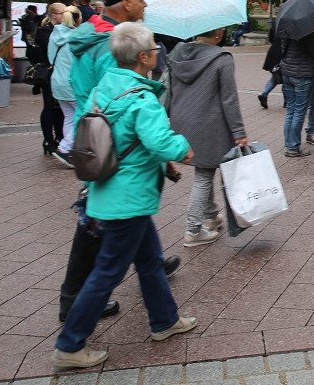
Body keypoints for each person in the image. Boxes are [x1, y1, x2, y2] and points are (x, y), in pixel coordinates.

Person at [51, 22, 197, 369]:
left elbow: (119, 139)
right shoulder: (142, 98)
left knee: (149, 260)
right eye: (155, 50)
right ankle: (70, 344)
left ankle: (165, 320)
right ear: (144, 57)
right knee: (106, 273)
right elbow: (159, 140)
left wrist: (162, 166)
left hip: (110, 191)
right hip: (128, 199)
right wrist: (183, 150)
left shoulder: (104, 89)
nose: (158, 55)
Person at [166, 27, 248, 247]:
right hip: (208, 123)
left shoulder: (176, 54)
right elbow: (229, 99)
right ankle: (193, 229)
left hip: (181, 119)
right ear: (218, 33)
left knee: (205, 168)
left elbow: (169, 90)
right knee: (204, 175)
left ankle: (211, 217)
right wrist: (239, 132)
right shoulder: (222, 59)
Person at [280, 27, 314, 157]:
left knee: (291, 109)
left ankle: (288, 143)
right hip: (302, 73)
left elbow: (283, 49)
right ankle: (293, 147)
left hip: (287, 71)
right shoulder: (307, 32)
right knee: (299, 111)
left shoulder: (287, 30)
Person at [47, 5, 81, 167]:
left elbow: (51, 58)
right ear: (77, 19)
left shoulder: (55, 35)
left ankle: (69, 149)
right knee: (81, 117)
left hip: (57, 82)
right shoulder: (77, 38)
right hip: (71, 83)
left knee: (69, 117)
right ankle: (64, 148)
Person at [33, 2, 67, 157]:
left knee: (60, 108)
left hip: (59, 73)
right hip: (49, 74)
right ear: (53, 15)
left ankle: (60, 136)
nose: (65, 16)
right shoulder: (45, 32)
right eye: (62, 13)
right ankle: (48, 139)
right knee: (49, 107)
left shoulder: (60, 30)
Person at [259, 18, 283, 109]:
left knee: (276, 75)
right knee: (283, 75)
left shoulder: (276, 21)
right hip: (283, 51)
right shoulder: (292, 21)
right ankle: (287, 101)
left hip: (274, 50)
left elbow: (271, 37)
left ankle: (264, 94)